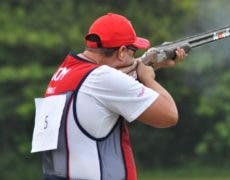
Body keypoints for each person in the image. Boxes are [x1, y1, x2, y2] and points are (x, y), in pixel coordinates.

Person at [38, 13, 186, 180]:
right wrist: (147, 78)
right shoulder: (102, 78)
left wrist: (151, 63)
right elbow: (169, 115)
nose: (134, 56)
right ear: (122, 51)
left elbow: (105, 86)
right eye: (133, 50)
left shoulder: (66, 71)